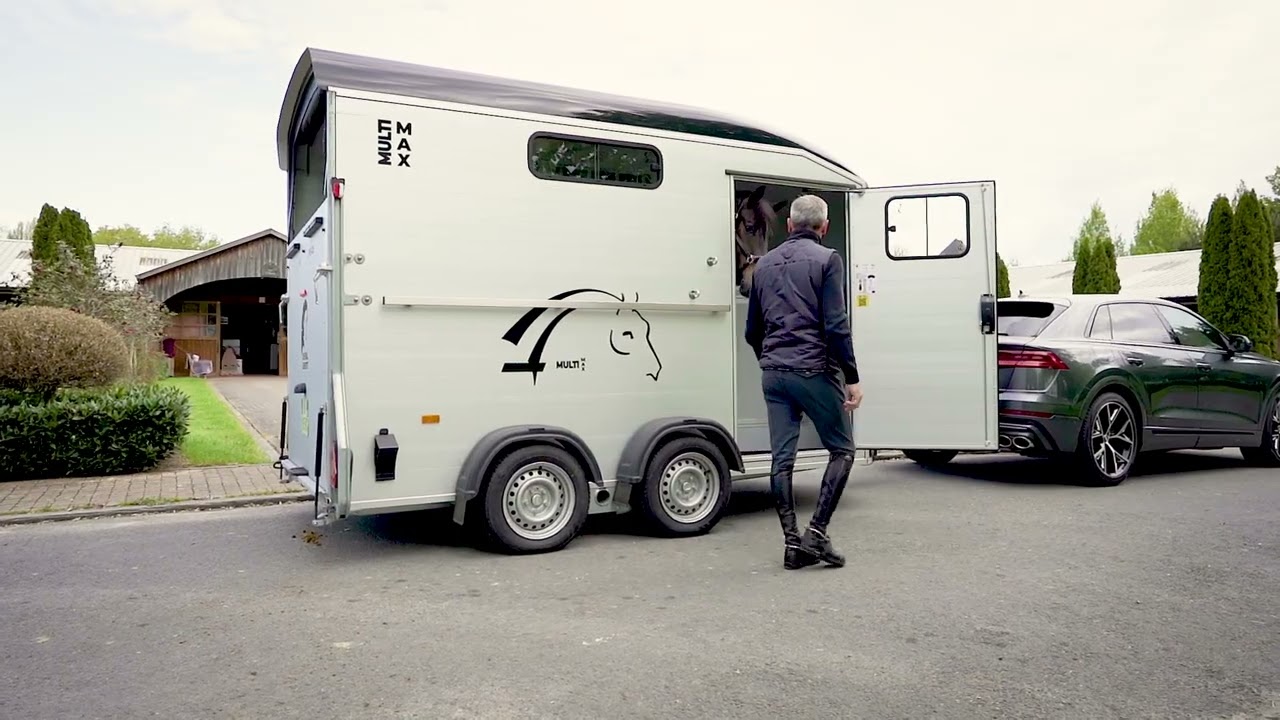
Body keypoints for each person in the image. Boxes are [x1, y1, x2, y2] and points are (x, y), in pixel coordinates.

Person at [744, 194, 863, 570]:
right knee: (842, 449)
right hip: (813, 370)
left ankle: (793, 545)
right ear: (824, 228)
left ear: (791, 226)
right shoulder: (828, 260)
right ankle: (818, 533)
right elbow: (836, 326)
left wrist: (772, 360)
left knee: (782, 459)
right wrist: (852, 377)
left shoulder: (762, 266)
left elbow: (752, 331)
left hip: (773, 374)